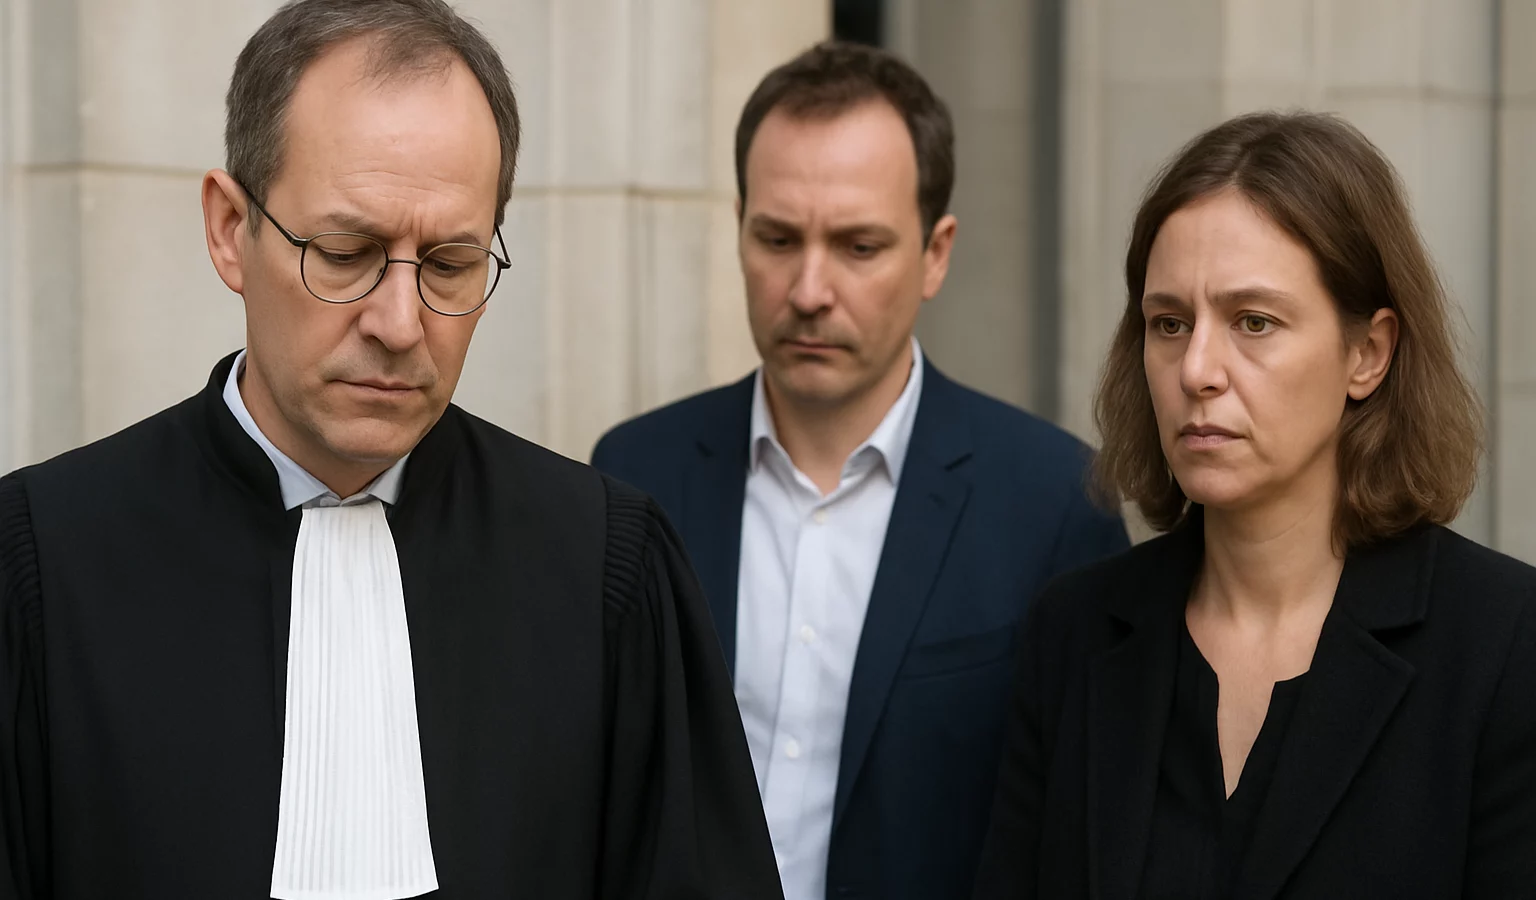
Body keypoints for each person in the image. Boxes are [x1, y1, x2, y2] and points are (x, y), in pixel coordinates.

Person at [0, 1, 784, 898]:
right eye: (346, 252)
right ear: (229, 229)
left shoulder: (606, 562)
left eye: (450, 264)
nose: (401, 323)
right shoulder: (41, 562)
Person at [592, 41, 1128, 900]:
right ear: (739, 230)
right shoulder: (633, 474)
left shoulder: (1053, 503)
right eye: (777, 238)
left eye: (858, 246)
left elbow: (1079, 838)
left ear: (936, 253)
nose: (809, 289)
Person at [972, 111, 1536, 899]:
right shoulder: (1074, 632)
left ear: (1368, 353)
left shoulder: (1505, 645)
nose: (1197, 369)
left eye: (1254, 322)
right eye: (1169, 323)